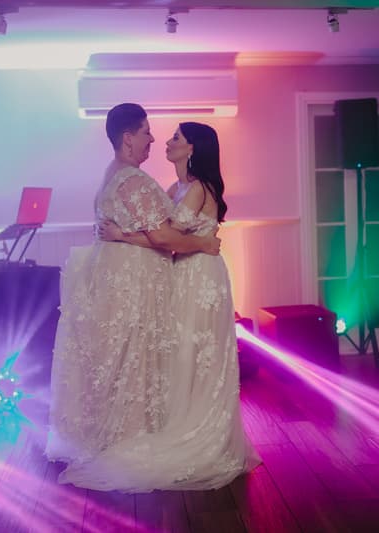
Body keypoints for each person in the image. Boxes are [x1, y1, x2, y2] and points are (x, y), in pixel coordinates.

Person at [45, 104, 222, 488]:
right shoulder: (135, 181)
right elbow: (162, 236)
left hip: (127, 282)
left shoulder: (114, 177)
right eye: (146, 132)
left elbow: (159, 230)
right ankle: (132, 437)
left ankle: (116, 435)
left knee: (124, 361)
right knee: (134, 360)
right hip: (136, 285)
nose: (153, 139)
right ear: (128, 138)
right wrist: (205, 243)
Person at [95, 122, 260, 492]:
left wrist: (121, 234)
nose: (165, 143)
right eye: (166, 137)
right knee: (181, 352)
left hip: (200, 276)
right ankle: (180, 421)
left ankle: (203, 434)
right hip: (182, 272)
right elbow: (163, 233)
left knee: (197, 353)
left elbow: (166, 236)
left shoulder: (199, 188)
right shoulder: (177, 188)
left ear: (192, 149)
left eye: (176, 139)